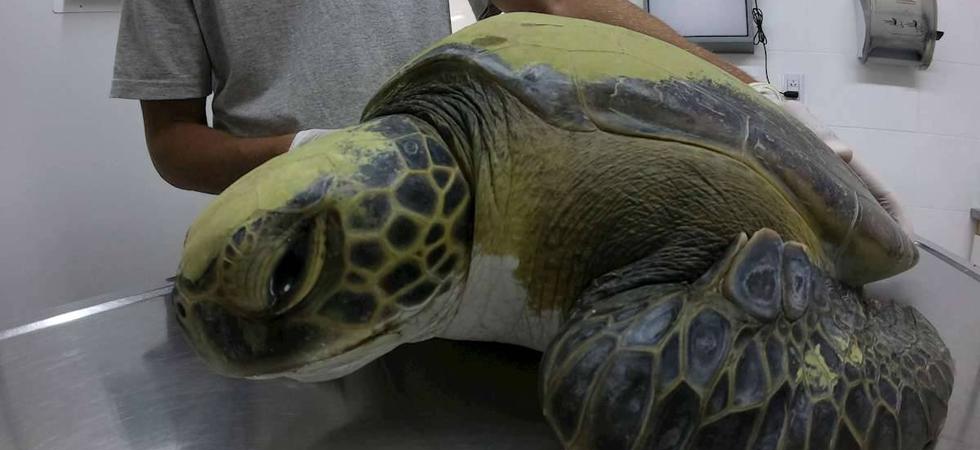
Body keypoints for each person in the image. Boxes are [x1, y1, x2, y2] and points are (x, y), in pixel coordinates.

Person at [111, 0, 908, 233]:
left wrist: (759, 106)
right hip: (282, 233)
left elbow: (570, 5)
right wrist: (307, 150)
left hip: (444, 226)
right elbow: (173, 144)